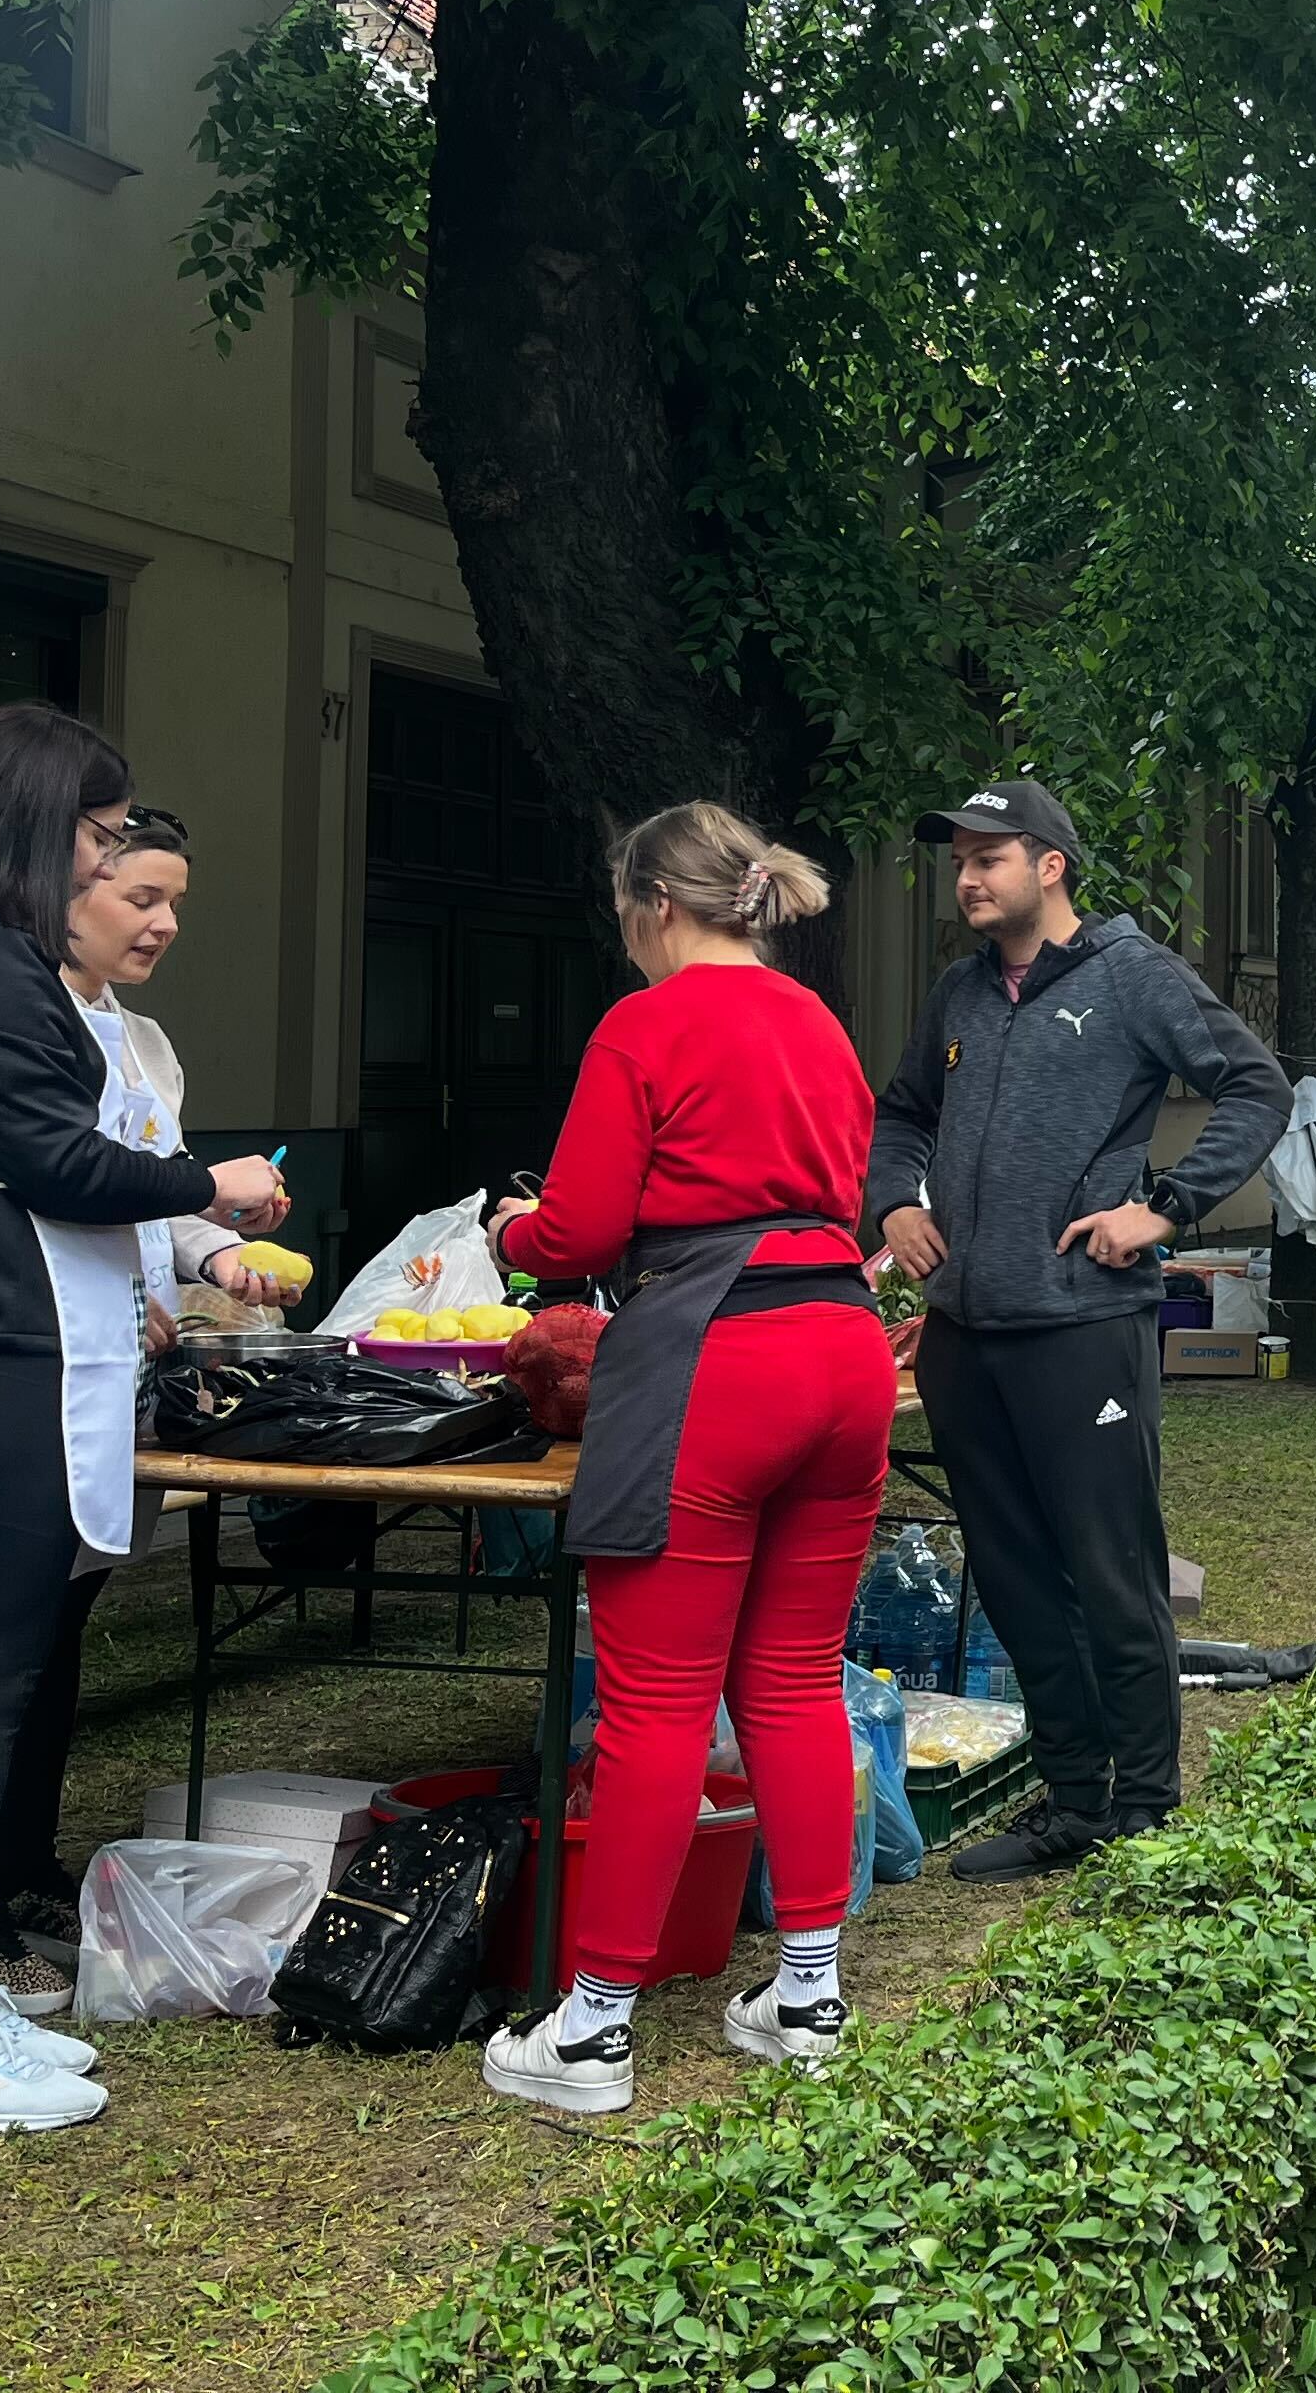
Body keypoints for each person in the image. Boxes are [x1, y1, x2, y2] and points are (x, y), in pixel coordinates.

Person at [0, 705, 284, 2134]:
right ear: (37, 821)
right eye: (99, 836)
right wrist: (208, 1187)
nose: (103, 859)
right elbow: (55, 1159)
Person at [477, 803, 889, 2114]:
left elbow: (582, 1227)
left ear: (657, 904)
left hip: (718, 1351)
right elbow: (845, 1188)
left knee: (657, 1702)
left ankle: (592, 2029)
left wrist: (512, 1231)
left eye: (624, 916)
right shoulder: (819, 1023)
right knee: (794, 1679)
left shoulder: (645, 1025)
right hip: (843, 1347)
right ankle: (808, 1995)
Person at [866, 781, 1292, 1880]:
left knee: (1112, 1574)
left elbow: (1257, 1087)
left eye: (989, 858)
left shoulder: (1132, 974)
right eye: (959, 860)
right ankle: (1071, 1801)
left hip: (1083, 1327)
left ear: (1050, 865)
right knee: (1013, 1579)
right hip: (966, 1335)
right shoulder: (960, 992)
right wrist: (897, 1202)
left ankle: (1143, 1810)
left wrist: (1166, 1208)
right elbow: (901, 1112)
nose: (967, 878)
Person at [0, 811, 298, 2013]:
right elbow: (48, 1192)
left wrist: (219, 1257)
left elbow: (155, 1195)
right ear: (66, 888)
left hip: (119, 1389)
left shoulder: (142, 1041)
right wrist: (130, 1281)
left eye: (175, 905)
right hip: (29, 1376)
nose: (163, 925)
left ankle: (25, 1867)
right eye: (141, 898)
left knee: (58, 1640)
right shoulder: (19, 1023)